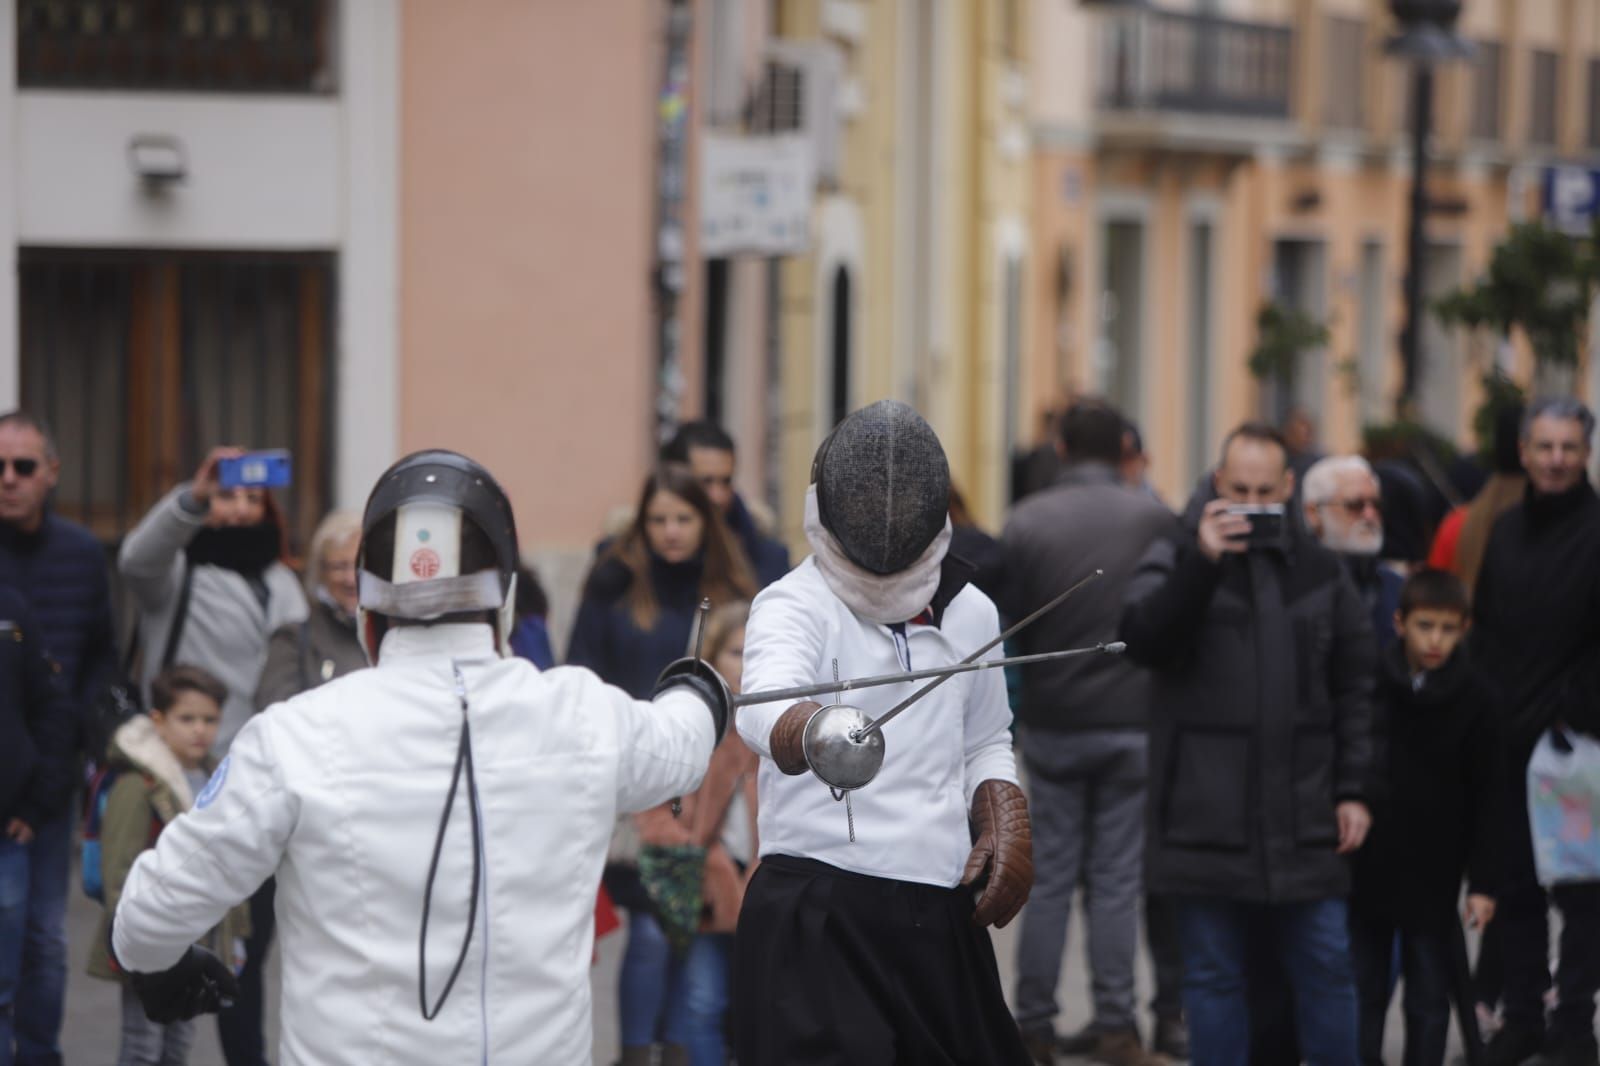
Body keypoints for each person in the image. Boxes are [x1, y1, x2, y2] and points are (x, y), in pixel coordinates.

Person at [106, 449, 730, 1064]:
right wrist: (698, 688)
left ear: (368, 610)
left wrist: (159, 966)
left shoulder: (296, 736)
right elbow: (682, 745)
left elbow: (153, 907)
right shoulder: (580, 714)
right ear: (503, 599)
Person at [734, 400, 1033, 1065]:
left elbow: (986, 738)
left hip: (937, 910)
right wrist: (811, 729)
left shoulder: (971, 612)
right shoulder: (793, 603)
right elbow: (759, 705)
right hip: (820, 909)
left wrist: (1001, 809)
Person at [1119, 422, 1376, 1066]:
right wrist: (1202, 563)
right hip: (1205, 819)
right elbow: (1144, 639)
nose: (1254, 504)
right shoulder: (1176, 552)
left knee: (1328, 969)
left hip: (1307, 815)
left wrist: (1354, 790)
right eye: (1240, 490)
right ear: (1216, 483)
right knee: (1210, 978)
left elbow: (1356, 686)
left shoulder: (1320, 570)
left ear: (1289, 488)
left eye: (1267, 492)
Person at [117, 445, 307, 1066]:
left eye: (253, 498)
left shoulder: (282, 582)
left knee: (246, 953)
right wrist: (193, 498)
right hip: (183, 787)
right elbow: (135, 559)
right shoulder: (176, 575)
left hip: (263, 791)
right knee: (170, 947)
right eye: (228, 495)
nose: (239, 508)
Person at [1002, 400, 1177, 1066]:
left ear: (1061, 445)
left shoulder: (1027, 521)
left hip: (1054, 723)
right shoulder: (1154, 518)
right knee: (1116, 880)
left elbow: (1009, 621)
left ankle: (1034, 1026)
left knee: (1047, 881)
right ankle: (1115, 1024)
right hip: (1135, 721)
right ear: (1125, 446)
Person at [567, 466, 755, 1065]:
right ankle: (634, 1053)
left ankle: (679, 1051)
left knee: (692, 932)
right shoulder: (613, 585)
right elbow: (580, 674)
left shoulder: (731, 585)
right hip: (636, 783)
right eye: (658, 519)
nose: (670, 532)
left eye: (683, 518)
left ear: (706, 521)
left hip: (714, 786)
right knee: (652, 931)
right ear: (641, 523)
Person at [1473, 399, 1600, 1066]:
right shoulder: (1506, 529)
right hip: (1507, 737)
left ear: (1585, 454)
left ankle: (1574, 1025)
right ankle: (1521, 1018)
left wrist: (1572, 710)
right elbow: (1486, 625)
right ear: (1523, 452)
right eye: (1544, 447)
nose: (1555, 460)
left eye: (1569, 448)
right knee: (1515, 886)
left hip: (1574, 745)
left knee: (1582, 893)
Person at [0, 410, 118, 1066]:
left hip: (51, 777)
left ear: (51, 473)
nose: (8, 479)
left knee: (43, 935)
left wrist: (74, 733)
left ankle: (39, 1055)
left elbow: (102, 655)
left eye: (22, 466)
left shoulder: (79, 553)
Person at [1348, 569, 1501, 1066]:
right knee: (1363, 992)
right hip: (1370, 868)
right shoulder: (1372, 681)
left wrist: (1482, 882)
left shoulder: (1476, 697)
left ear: (1465, 629)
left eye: (1448, 629)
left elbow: (1488, 795)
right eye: (1425, 626)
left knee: (1429, 999)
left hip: (1435, 873)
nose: (1435, 641)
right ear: (1399, 622)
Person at [86, 665, 250, 1066]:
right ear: (157, 720)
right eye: (187, 718)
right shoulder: (138, 784)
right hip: (149, 940)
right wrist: (134, 939)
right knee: (143, 1047)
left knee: (177, 1046)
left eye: (210, 719)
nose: (200, 730)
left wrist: (237, 936)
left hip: (197, 941)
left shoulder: (218, 776)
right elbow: (118, 873)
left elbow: (233, 862)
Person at [667, 601, 759, 1066]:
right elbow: (660, 811)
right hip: (707, 887)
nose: (747, 664)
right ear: (713, 658)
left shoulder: (780, 722)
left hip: (765, 887)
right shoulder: (695, 722)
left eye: (756, 652)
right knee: (705, 1002)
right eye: (737, 652)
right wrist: (700, 857)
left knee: (761, 1008)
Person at [0, 586, 73, 1066]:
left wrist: (35, 802)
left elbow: (50, 708)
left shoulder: (11, 611)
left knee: (8, 974)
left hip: (6, 829)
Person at [254, 510, 367, 708]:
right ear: (321, 572)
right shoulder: (293, 640)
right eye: (339, 567)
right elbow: (275, 711)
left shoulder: (394, 635)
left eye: (359, 565)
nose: (351, 579)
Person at [662, 420, 790, 587]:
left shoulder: (769, 559)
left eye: (726, 481)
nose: (718, 496)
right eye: (706, 482)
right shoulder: (631, 561)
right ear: (674, 480)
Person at [1302, 455, 1403, 650]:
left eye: (1377, 505)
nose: (1369, 515)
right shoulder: (1294, 585)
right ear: (1313, 513)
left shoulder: (1398, 587)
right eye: (1355, 505)